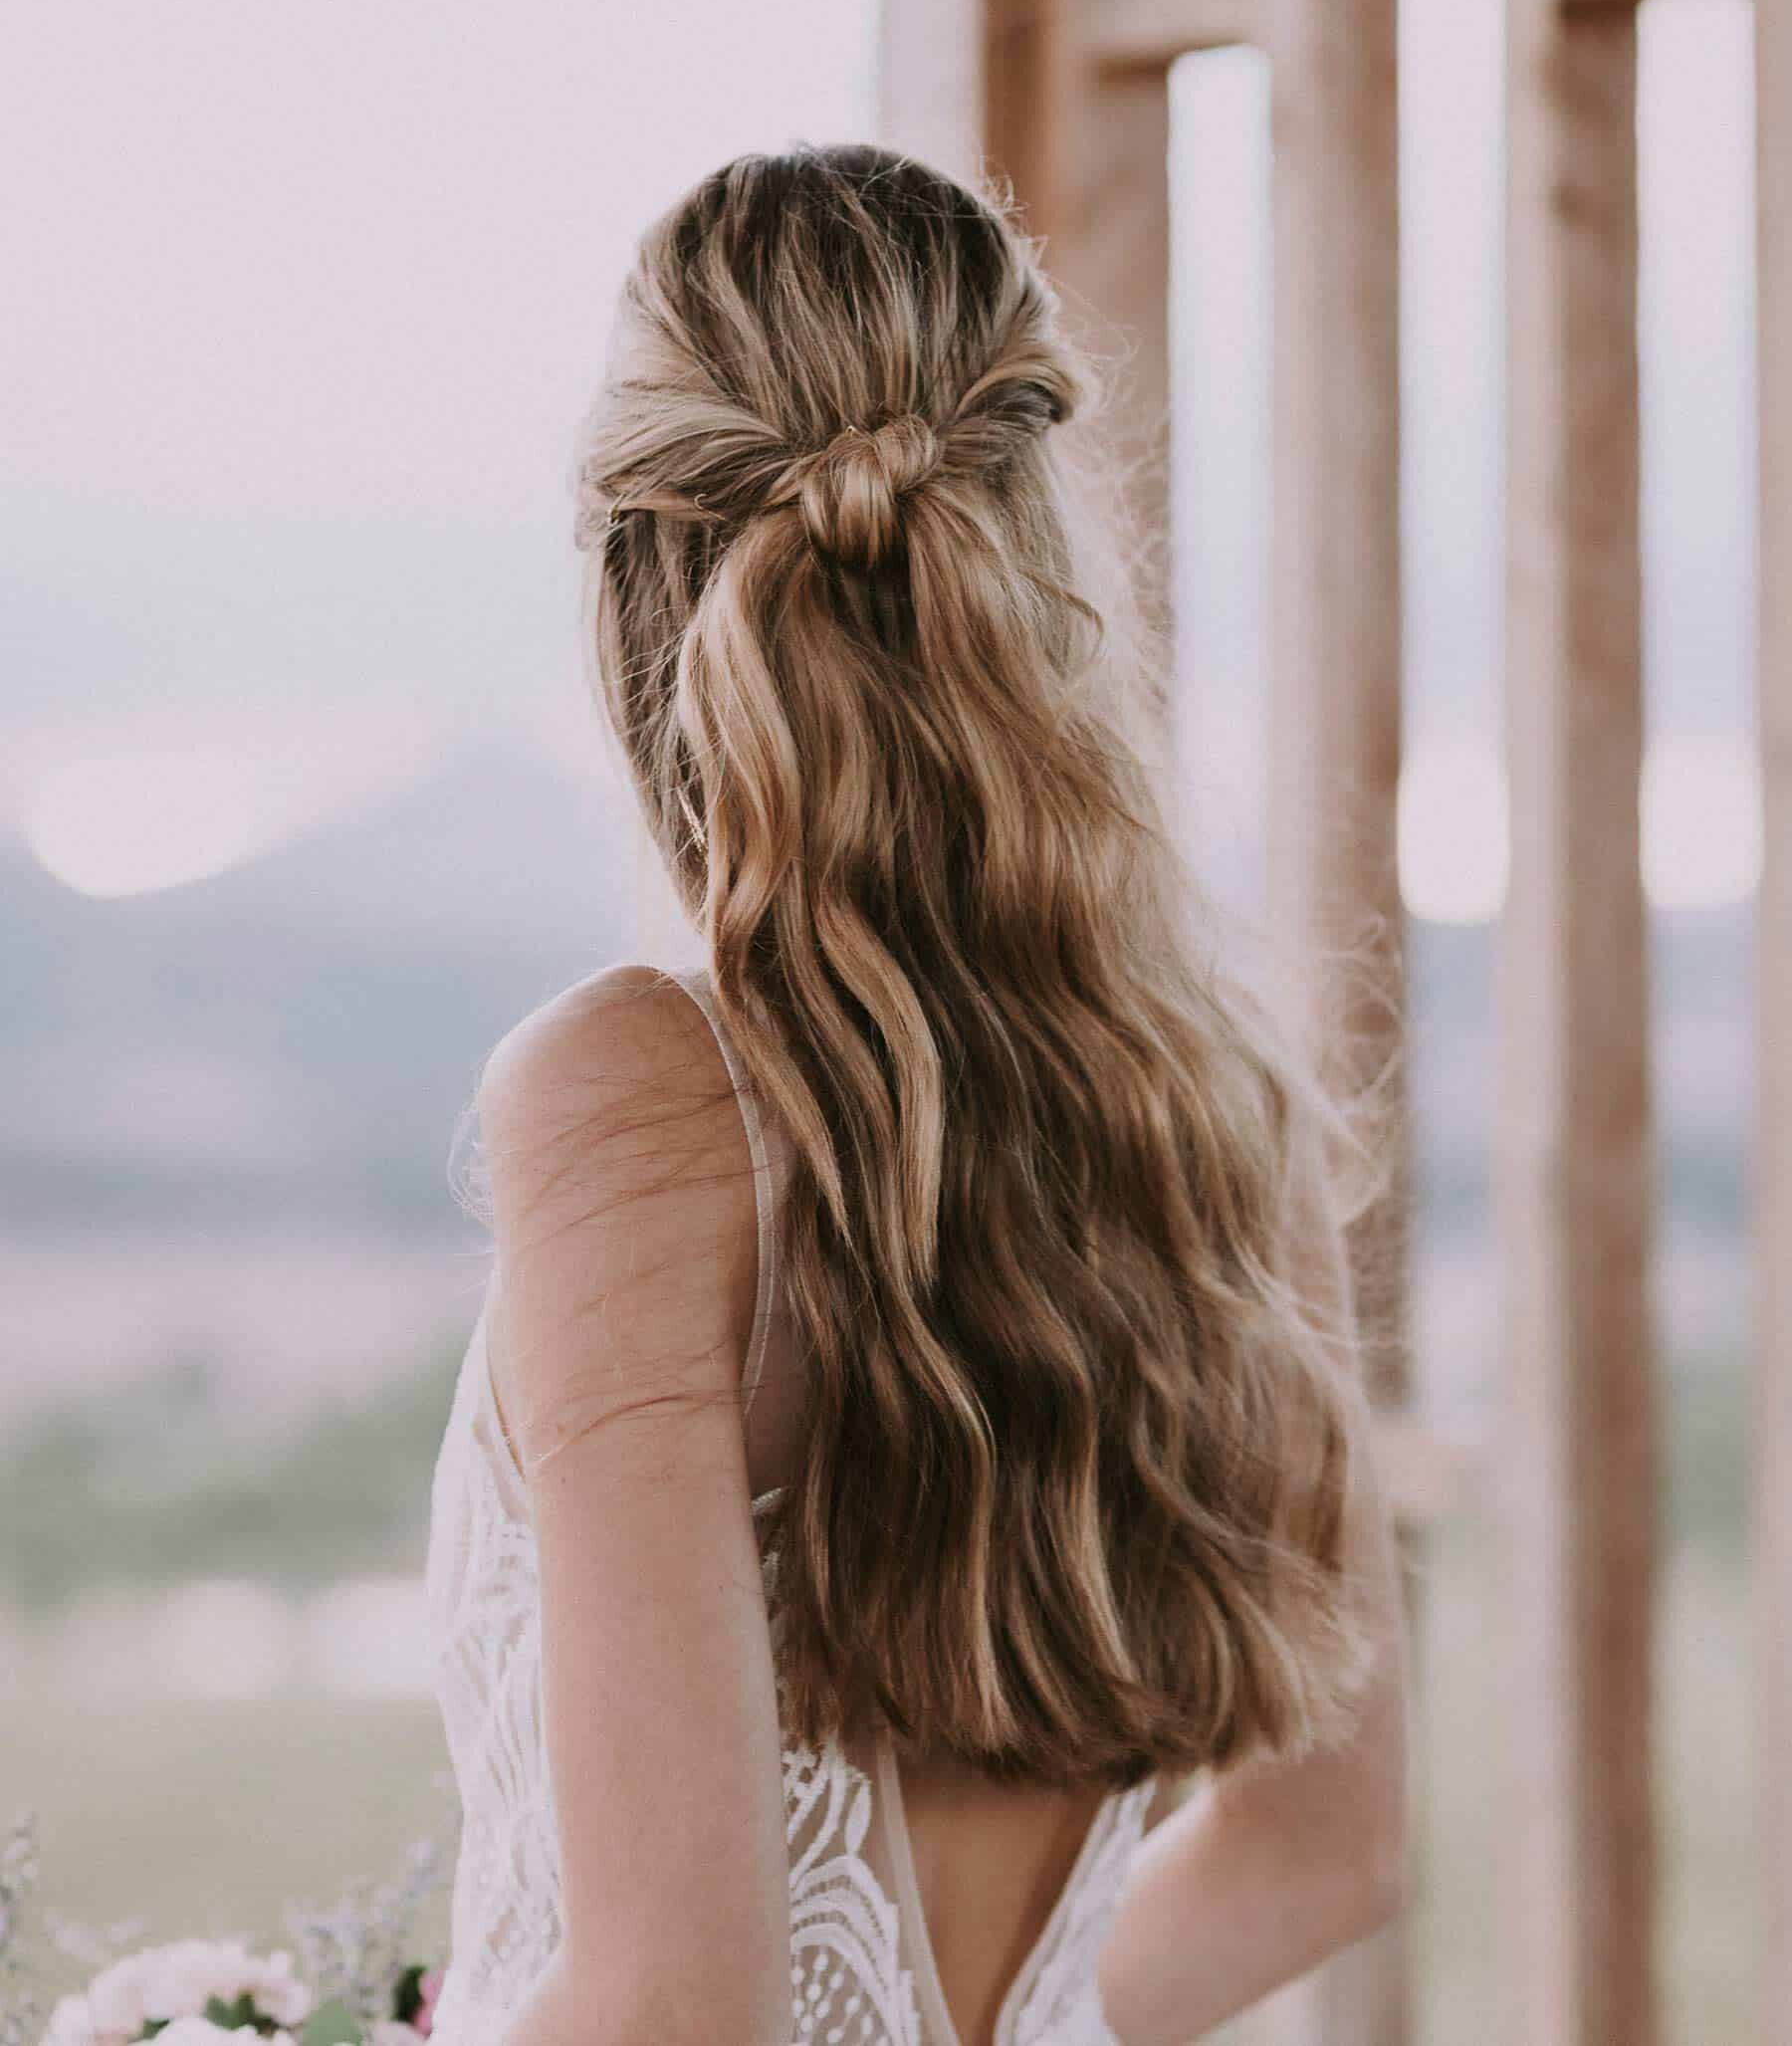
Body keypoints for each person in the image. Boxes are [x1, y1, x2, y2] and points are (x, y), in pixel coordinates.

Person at [423, 143, 1411, 2046]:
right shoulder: (1221, 1112)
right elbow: (1324, 1855)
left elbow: (676, 2010)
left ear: (633, 574)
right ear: (1043, 544)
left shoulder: (629, 1101)